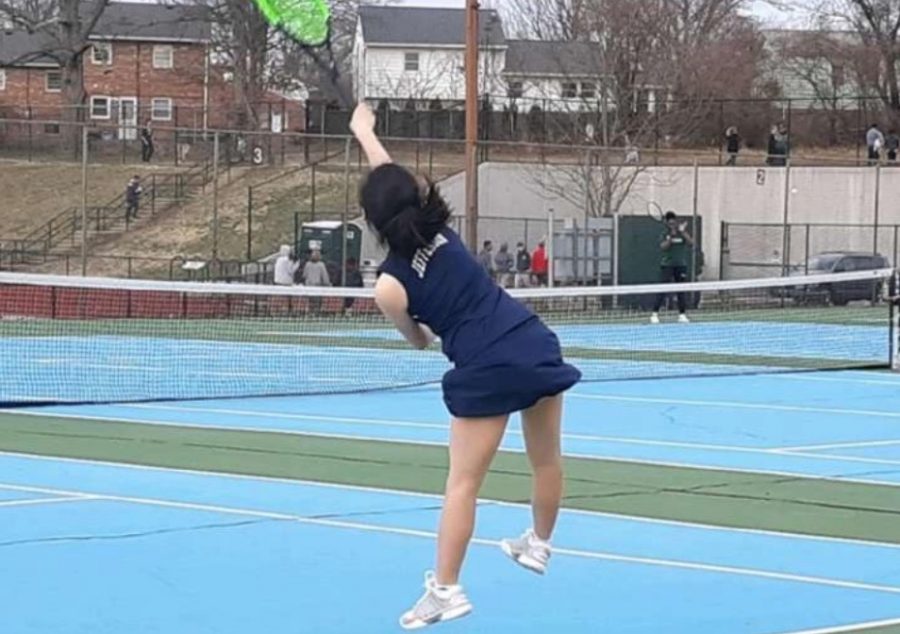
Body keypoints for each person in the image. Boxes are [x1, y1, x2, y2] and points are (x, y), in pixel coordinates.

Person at [350, 102, 581, 630]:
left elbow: (417, 340)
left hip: (485, 365)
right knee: (545, 460)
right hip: (532, 341)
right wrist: (366, 132)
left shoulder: (388, 285)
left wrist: (426, 321)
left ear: (373, 222)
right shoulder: (440, 231)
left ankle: (447, 590)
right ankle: (539, 544)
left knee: (462, 484)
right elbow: (393, 183)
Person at [651, 211, 694, 324]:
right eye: (669, 222)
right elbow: (663, 247)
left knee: (681, 291)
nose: (672, 224)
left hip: (681, 266)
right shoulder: (664, 233)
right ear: (666, 223)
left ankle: (682, 315)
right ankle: (655, 314)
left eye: (673, 222)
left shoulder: (681, 233)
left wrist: (682, 232)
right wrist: (671, 237)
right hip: (667, 266)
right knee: (662, 290)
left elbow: (691, 243)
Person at [303, 249, 331, 314]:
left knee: (311, 303)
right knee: (316, 303)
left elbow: (304, 275)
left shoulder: (307, 264)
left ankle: (310, 313)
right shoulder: (321, 265)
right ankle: (315, 314)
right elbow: (325, 277)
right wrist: (328, 284)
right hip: (316, 288)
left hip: (309, 287)